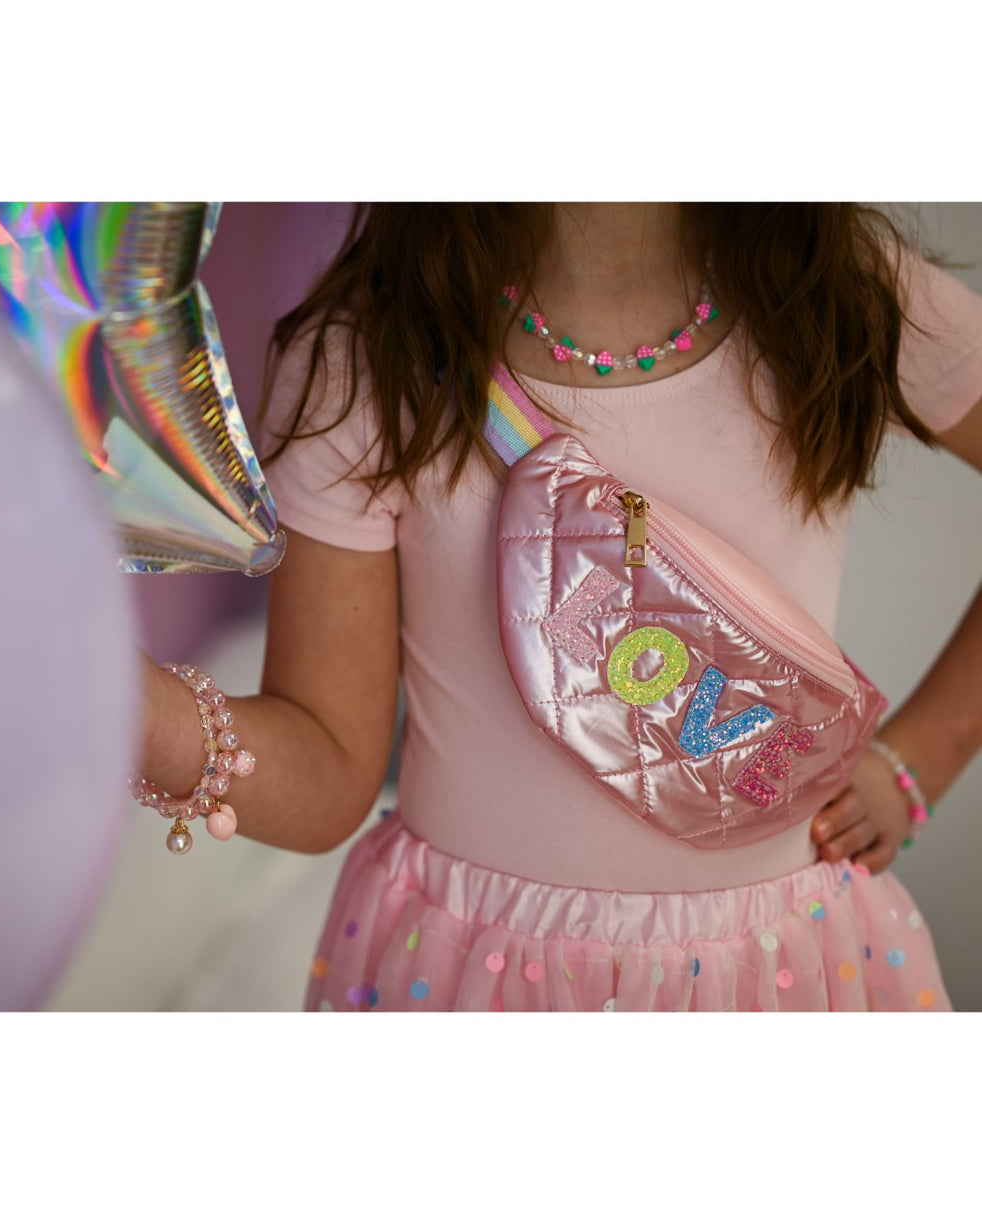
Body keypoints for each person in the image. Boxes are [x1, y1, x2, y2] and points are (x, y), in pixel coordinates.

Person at [138, 203, 982, 1012]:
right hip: (469, 981)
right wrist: (137, 712)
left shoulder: (847, 291)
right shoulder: (364, 357)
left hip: (773, 972)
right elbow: (326, 768)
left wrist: (917, 762)